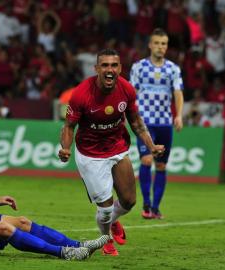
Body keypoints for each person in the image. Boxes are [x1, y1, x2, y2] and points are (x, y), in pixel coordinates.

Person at [58, 49, 165, 256]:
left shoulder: (126, 89)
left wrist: (151, 146)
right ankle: (105, 239)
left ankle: (113, 223)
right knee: (105, 210)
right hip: (90, 154)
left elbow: (136, 122)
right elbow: (69, 126)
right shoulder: (81, 94)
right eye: (104, 65)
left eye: (114, 65)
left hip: (117, 147)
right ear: (97, 69)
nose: (109, 70)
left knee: (129, 201)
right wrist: (65, 148)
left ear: (120, 68)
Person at [129, 28, 184, 219]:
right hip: (144, 122)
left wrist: (179, 115)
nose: (161, 47)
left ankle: (155, 207)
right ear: (150, 45)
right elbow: (131, 94)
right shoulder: (138, 67)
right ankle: (145, 204)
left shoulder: (173, 69)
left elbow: (178, 93)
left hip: (164, 123)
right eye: (157, 43)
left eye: (164, 44)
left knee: (161, 166)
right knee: (146, 159)